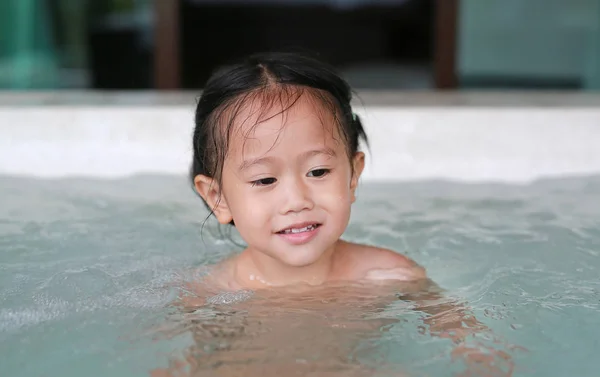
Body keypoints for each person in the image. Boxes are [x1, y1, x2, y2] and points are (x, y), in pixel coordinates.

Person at [152, 52, 517, 377]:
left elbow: (463, 333)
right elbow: (192, 359)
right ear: (218, 198)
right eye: (265, 179)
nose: (296, 200)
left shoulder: (387, 273)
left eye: (318, 172)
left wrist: (478, 353)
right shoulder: (209, 293)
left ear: (353, 175)